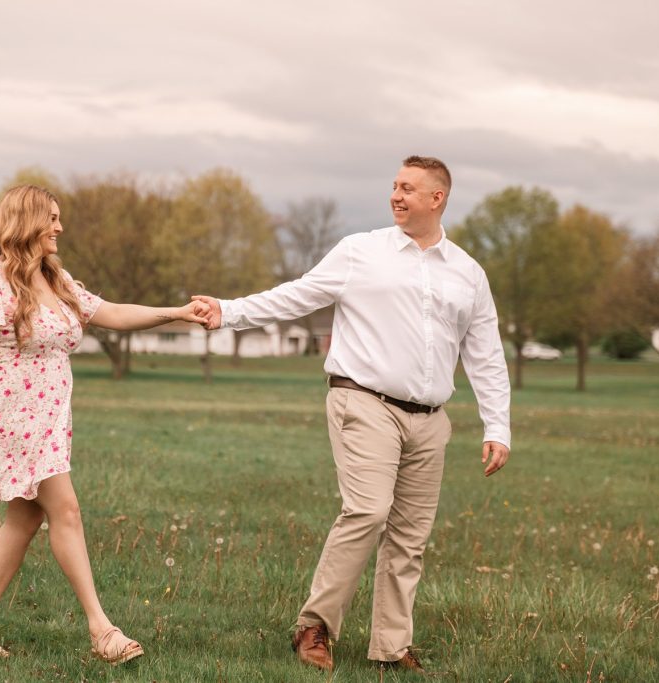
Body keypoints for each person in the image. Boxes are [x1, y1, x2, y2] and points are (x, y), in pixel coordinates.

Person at [194, 156, 511, 674]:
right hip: (364, 401)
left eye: (408, 188)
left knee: (410, 537)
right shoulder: (361, 251)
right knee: (366, 511)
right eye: (394, 186)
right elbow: (295, 296)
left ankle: (390, 647)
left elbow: (485, 354)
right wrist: (229, 311)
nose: (396, 195)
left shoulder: (468, 274)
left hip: (431, 418)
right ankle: (314, 626)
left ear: (438, 198)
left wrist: (497, 425)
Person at [0, 185, 208, 663]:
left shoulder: (55, 279)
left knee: (26, 516)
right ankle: (102, 631)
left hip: (48, 420)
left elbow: (115, 314)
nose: (60, 227)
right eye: (52, 219)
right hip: (10, 417)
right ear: (27, 221)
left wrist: (177, 314)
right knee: (66, 511)